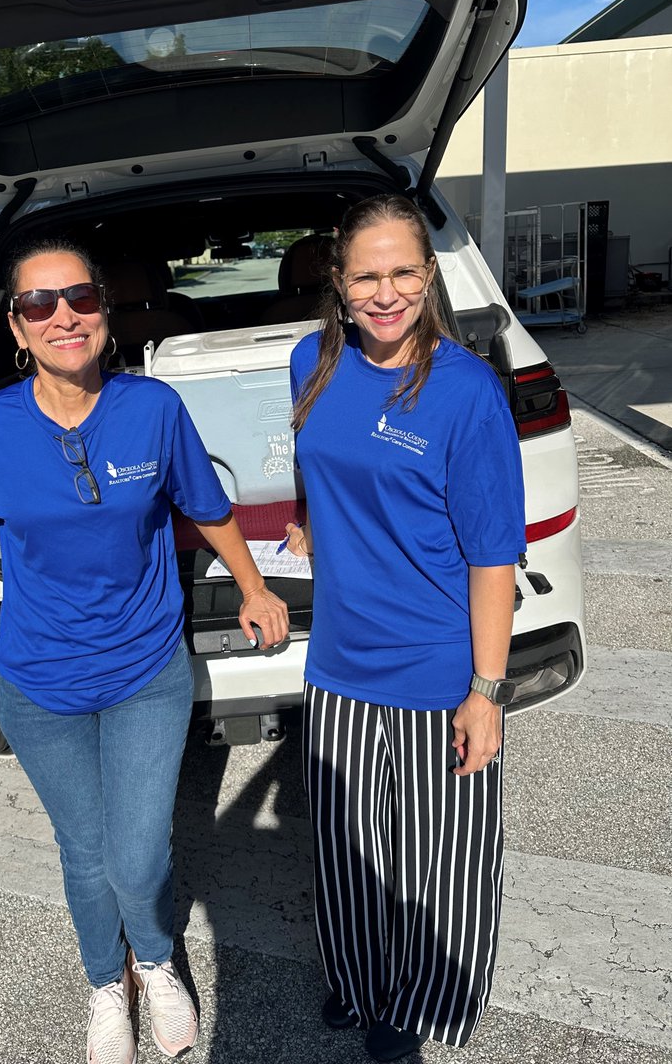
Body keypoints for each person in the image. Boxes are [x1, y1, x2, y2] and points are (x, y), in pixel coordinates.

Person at [0, 241, 289, 1064]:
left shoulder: (151, 409)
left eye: (79, 297)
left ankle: (153, 960)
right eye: (40, 304)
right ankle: (104, 980)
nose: (63, 316)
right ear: (16, 325)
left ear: (105, 313)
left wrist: (255, 587)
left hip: (143, 676)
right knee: (83, 852)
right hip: (39, 686)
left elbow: (208, 504)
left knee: (137, 850)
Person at [284, 195, 525, 1062]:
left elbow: (494, 554)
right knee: (347, 859)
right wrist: (315, 517)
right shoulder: (310, 360)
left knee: (437, 869)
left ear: (428, 276)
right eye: (365, 276)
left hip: (436, 669)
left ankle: (415, 1004)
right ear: (338, 286)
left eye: (402, 273)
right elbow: (321, 454)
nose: (385, 294)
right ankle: (355, 984)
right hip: (339, 664)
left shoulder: (464, 392)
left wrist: (485, 693)